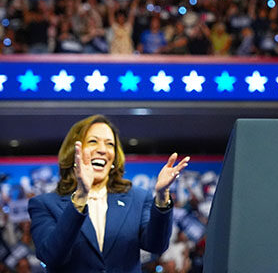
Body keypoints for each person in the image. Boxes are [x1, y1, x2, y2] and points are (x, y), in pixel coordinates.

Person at [28, 115, 189, 273]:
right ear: (73, 151)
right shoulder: (44, 204)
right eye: (93, 141)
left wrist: (162, 196)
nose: (103, 150)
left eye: (109, 144)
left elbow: (156, 245)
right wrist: (81, 195)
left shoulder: (138, 199)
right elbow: (52, 256)